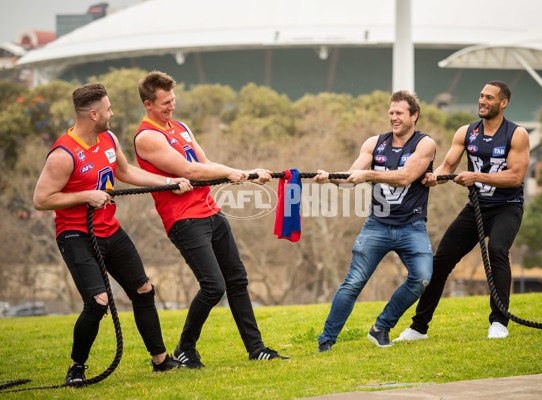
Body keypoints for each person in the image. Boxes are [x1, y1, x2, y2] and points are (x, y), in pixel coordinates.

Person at [33, 83, 193, 385]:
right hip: (75, 235)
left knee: (144, 290)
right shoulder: (63, 154)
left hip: (111, 230)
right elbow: (41, 200)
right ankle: (76, 369)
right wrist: (85, 196)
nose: (113, 113)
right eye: (108, 110)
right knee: (98, 301)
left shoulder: (107, 138)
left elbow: (128, 172)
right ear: (93, 114)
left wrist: (169, 181)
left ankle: (161, 362)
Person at [132, 70, 290, 368]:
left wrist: (246, 173)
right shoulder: (148, 137)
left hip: (211, 212)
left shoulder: (180, 127)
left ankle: (256, 349)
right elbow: (188, 171)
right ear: (148, 104)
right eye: (165, 103)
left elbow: (204, 164)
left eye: (173, 100)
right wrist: (231, 172)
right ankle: (184, 349)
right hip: (183, 220)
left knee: (237, 280)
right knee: (213, 287)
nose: (172, 107)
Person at [396, 80, 530, 341]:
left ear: (503, 103)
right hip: (477, 207)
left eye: (489, 98)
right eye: (481, 96)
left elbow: (515, 177)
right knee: (441, 261)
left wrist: (476, 176)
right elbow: (447, 165)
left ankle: (499, 322)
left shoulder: (517, 134)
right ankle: (418, 327)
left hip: (507, 207)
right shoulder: (466, 132)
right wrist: (436, 178)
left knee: (497, 250)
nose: (482, 101)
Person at [314, 90, 436, 351]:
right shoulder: (374, 144)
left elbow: (405, 177)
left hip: (412, 227)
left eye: (399, 113)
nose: (393, 117)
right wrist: (331, 177)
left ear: (414, 115)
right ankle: (326, 341)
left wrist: (367, 174)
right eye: (391, 112)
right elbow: (349, 179)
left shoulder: (424, 144)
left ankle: (381, 327)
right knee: (353, 282)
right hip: (376, 226)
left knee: (423, 277)